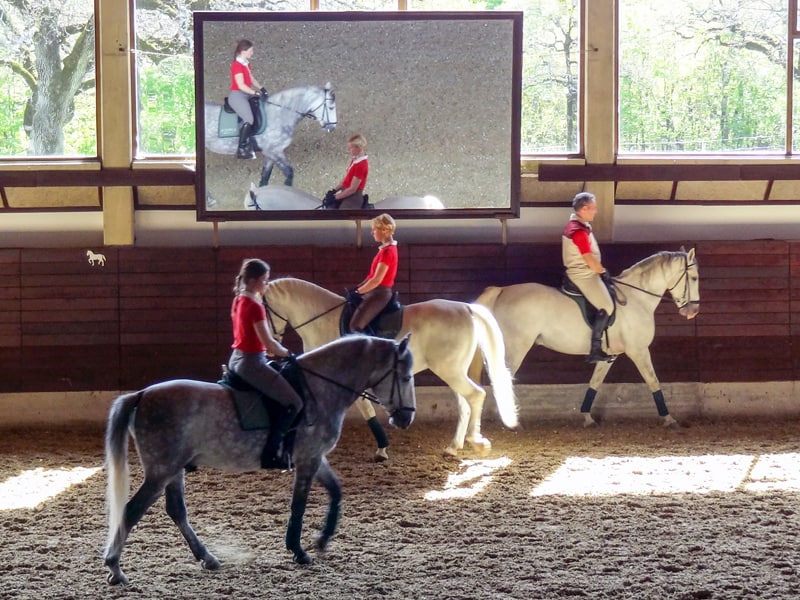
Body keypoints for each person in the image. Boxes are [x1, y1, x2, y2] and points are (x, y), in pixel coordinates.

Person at [228, 258, 302, 469]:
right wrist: (289, 354)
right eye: (264, 280)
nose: (266, 285)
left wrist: (271, 350)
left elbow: (254, 338)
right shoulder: (255, 306)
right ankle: (271, 454)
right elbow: (268, 342)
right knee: (294, 403)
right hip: (252, 362)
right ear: (252, 282)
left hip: (237, 358)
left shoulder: (238, 299)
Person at [562, 192, 616, 363]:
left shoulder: (580, 225)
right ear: (584, 209)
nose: (596, 211)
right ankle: (595, 349)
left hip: (585, 272)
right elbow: (588, 258)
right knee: (607, 305)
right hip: (583, 275)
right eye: (593, 208)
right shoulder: (578, 231)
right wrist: (602, 271)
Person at [350, 213, 398, 333]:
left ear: (384, 230)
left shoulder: (388, 252)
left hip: (379, 294)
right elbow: (370, 276)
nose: (372, 233)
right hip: (374, 292)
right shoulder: (384, 250)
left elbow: (376, 280)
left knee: (355, 327)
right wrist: (357, 288)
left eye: (374, 229)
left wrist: (358, 292)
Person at [229, 39, 267, 160]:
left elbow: (251, 80)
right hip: (238, 95)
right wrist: (254, 92)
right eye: (250, 51)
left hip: (247, 94)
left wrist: (262, 88)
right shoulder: (237, 65)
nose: (252, 53)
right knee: (249, 119)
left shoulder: (246, 64)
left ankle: (254, 141)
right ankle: (241, 148)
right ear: (243, 51)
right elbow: (241, 85)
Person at [332, 134, 369, 208]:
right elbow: (346, 179)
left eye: (351, 148)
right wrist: (333, 191)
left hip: (353, 197)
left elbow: (353, 189)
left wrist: (336, 197)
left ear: (359, 148)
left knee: (342, 215)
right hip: (345, 192)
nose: (349, 150)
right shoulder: (355, 161)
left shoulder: (361, 165)